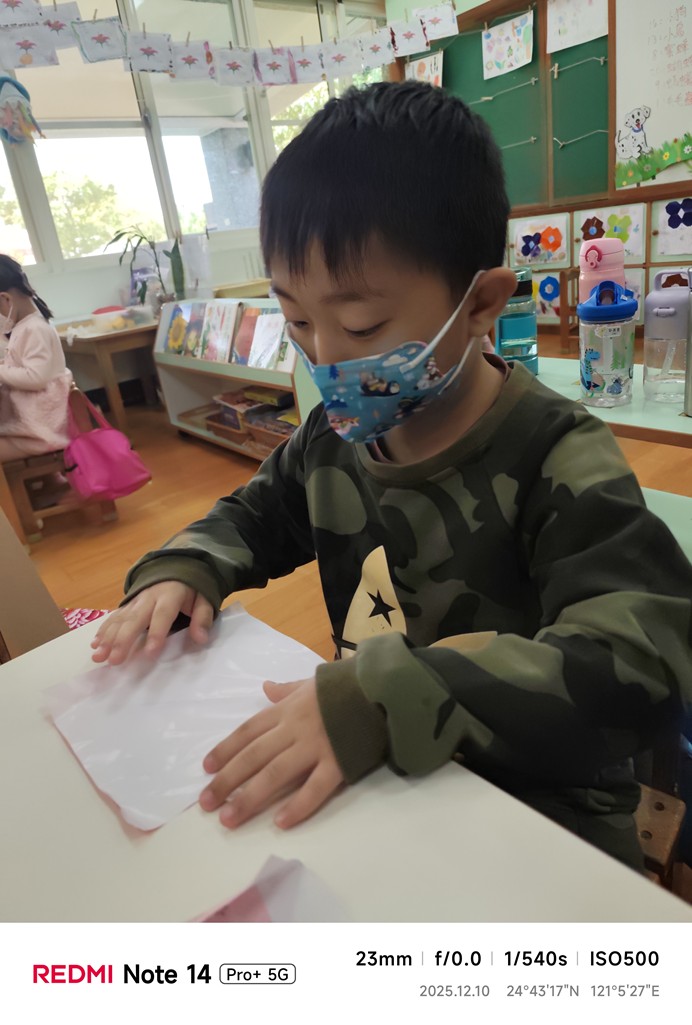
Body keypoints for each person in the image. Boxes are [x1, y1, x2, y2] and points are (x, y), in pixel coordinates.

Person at [91, 82, 692, 870]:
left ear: (480, 304)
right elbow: (255, 515)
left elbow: (638, 662)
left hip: (544, 808)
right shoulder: (331, 439)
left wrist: (379, 695)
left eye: (362, 323)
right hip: (381, 773)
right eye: (296, 319)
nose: (324, 357)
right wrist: (188, 565)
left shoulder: (556, 454)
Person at [0, 255, 72, 462]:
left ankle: (47, 475)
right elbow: (21, 364)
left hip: (41, 433)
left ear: (6, 299)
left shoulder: (34, 329)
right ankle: (50, 478)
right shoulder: (25, 326)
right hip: (34, 427)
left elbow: (36, 377)